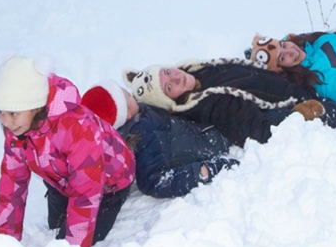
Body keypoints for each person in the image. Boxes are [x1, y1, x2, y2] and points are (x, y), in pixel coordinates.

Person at [0, 56, 135, 247]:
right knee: (56, 225)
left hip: (107, 184)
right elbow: (12, 185)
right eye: (1, 112)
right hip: (61, 176)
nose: (6, 122)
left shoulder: (77, 129)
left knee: (65, 246)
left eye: (13, 113)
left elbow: (86, 192)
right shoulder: (17, 130)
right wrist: (4, 244)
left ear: (35, 106)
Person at [123, 58, 336, 148]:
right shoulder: (213, 106)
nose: (175, 77)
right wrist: (300, 115)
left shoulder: (200, 70)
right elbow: (261, 133)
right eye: (169, 87)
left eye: (166, 72)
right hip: (311, 102)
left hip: (299, 82)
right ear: (169, 101)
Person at [82, 80, 238, 199]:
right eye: (128, 95)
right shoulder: (141, 136)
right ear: (126, 114)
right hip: (208, 145)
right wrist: (206, 170)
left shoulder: (138, 116)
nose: (132, 94)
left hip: (199, 131)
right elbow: (156, 181)